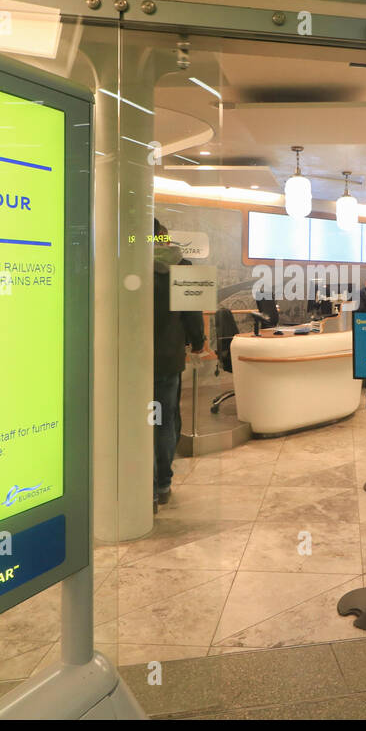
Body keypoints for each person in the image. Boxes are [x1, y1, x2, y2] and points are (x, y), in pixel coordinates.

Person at [153, 219, 206, 512]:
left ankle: (139, 481)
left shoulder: (125, 264)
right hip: (167, 358)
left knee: (132, 422)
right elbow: (193, 316)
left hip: (127, 362)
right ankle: (162, 482)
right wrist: (198, 342)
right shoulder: (183, 268)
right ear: (165, 238)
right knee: (164, 421)